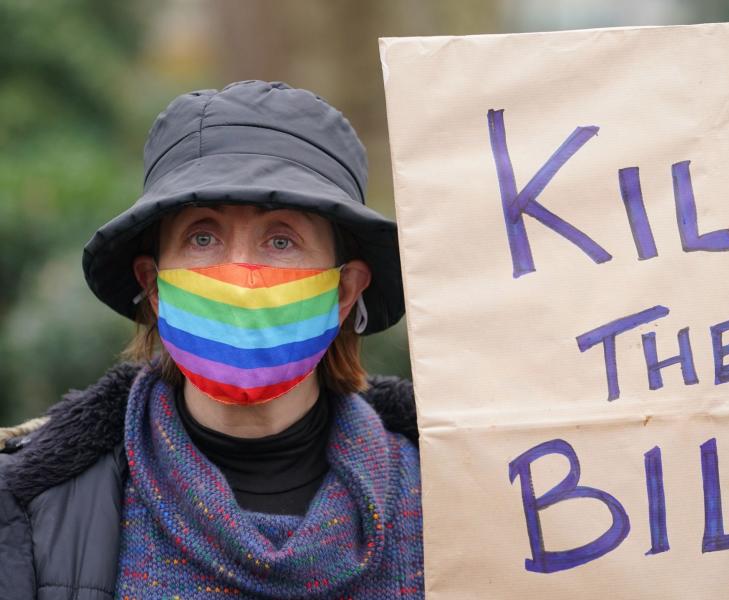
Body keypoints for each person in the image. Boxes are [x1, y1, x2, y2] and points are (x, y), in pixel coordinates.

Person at [0, 80, 423, 599]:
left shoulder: (452, 491)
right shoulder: (32, 506)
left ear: (344, 291)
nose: (240, 274)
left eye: (281, 239)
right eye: (203, 237)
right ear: (153, 286)